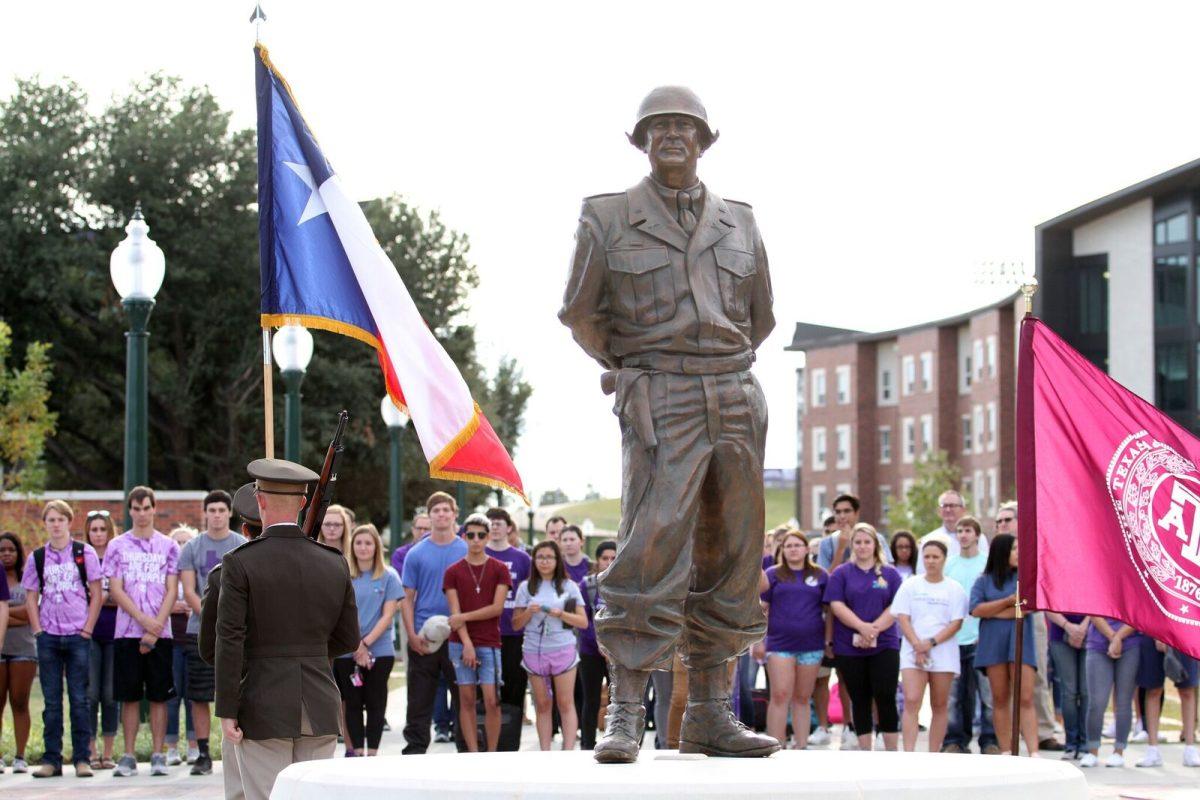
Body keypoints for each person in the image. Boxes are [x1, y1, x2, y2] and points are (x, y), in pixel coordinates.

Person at [559, 86, 779, 762]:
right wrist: (639, 368)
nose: (674, 136)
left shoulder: (739, 221)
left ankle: (710, 715)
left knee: (735, 553)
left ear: (705, 139)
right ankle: (624, 714)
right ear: (641, 141)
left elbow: (762, 313)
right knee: (649, 548)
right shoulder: (608, 216)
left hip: (736, 394)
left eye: (686, 126)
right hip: (660, 393)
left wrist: (717, 367)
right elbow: (581, 313)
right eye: (660, 127)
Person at [215, 459, 361, 800]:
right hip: (320, 703)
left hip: (262, 703)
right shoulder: (333, 560)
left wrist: (227, 709)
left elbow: (230, 640)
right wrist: (307, 654)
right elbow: (348, 638)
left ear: (260, 500)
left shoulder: (240, 561)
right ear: (304, 503)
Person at [104, 486, 181, 777]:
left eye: (146, 507)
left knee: (160, 696)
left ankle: (159, 754)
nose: (141, 513)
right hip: (127, 631)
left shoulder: (169, 546)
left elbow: (173, 588)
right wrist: (142, 620)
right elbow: (115, 588)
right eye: (135, 508)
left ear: (153, 508)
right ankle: (128, 755)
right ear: (130, 510)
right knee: (130, 696)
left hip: (162, 632)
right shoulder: (117, 546)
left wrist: (156, 624)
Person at [24, 499, 103, 778]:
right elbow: (31, 595)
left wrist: (87, 628)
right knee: (52, 702)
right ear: (45, 524)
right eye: (50, 520)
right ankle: (51, 759)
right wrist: (37, 629)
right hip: (49, 636)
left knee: (80, 699)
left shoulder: (85, 553)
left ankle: (82, 758)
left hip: (78, 635)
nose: (55, 525)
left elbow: (97, 593)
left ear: (69, 522)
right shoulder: (37, 557)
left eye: (60, 519)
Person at [199, 482, 261, 800]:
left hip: (245, 689)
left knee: (241, 790)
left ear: (244, 529)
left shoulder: (223, 573)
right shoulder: (320, 564)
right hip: (307, 698)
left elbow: (211, 647)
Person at [179, 490, 246, 775]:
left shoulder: (242, 545)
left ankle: (237, 750)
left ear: (229, 513)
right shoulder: (192, 547)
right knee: (200, 696)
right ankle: (203, 752)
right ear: (204, 513)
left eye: (222, 510)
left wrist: (230, 623)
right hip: (200, 632)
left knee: (238, 692)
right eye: (212, 510)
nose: (217, 515)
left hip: (237, 636)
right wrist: (212, 619)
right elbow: (190, 590)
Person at [400, 491, 468, 754]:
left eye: (446, 510)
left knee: (463, 695)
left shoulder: (465, 550)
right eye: (436, 510)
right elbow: (406, 598)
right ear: (429, 516)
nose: (441, 514)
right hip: (424, 635)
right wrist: (411, 635)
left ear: (454, 515)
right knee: (419, 698)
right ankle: (415, 749)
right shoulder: (416, 554)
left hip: (457, 635)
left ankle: (467, 747)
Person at [825, 523, 902, 751]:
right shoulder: (841, 573)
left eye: (867, 542)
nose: (862, 546)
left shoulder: (890, 573)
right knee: (859, 697)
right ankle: (865, 750)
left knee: (886, 695)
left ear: (875, 545)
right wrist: (861, 627)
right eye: (857, 542)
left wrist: (874, 629)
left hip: (885, 644)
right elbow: (836, 605)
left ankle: (891, 751)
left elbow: (897, 605)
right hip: (850, 646)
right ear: (852, 546)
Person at [333, 524, 402, 757]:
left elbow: (388, 614)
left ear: (377, 547)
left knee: (375, 703)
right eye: (359, 543)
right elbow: (338, 613)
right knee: (351, 703)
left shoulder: (389, 576)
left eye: (368, 543)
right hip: (346, 652)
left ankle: (372, 753)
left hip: (379, 651)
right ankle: (357, 751)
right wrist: (355, 645)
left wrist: (365, 644)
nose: (363, 548)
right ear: (352, 546)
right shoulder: (342, 573)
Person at [443, 514, 510, 752]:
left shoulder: (499, 569)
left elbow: (497, 608)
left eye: (481, 535)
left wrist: (464, 617)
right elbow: (454, 613)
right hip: (460, 643)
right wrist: (467, 643)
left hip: (490, 642)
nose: (476, 540)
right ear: (463, 537)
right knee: (467, 699)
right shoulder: (453, 571)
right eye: (470, 535)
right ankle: (473, 752)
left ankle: (491, 753)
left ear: (489, 537)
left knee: (492, 700)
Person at [893, 539, 967, 752]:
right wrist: (917, 644)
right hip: (912, 651)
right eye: (927, 556)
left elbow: (956, 622)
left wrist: (931, 643)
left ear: (944, 559)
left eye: (936, 557)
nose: (931, 561)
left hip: (943, 652)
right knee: (912, 700)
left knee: (940, 704)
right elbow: (903, 616)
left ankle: (934, 752)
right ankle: (908, 751)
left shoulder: (954, 589)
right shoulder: (911, 585)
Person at [512, 540, 587, 750]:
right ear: (534, 561)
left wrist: (561, 613)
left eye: (549, 557)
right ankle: (545, 751)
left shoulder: (569, 586)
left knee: (565, 702)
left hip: (563, 649)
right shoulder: (525, 588)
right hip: (534, 651)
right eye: (540, 557)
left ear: (557, 560)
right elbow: (516, 624)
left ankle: (568, 749)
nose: (544, 562)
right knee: (543, 704)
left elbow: (582, 622)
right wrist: (529, 612)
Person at [757, 531, 829, 750]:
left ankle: (801, 745)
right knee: (780, 695)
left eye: (798, 545)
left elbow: (829, 611)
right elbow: (762, 609)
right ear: (782, 550)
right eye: (788, 546)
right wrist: (758, 642)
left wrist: (829, 641)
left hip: (811, 645)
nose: (793, 549)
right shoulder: (773, 574)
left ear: (807, 549)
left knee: (803, 697)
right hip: (780, 645)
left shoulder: (820, 575)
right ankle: (776, 745)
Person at [1000, 502, 1061, 751]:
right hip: (1002, 621)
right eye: (999, 521)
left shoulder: (1032, 546)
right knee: (1004, 682)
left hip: (1031, 618)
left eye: (1007, 520)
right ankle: (1011, 732)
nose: (1003, 525)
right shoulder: (998, 550)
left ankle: (1044, 731)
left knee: (1036, 677)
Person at [970, 533, 1037, 757]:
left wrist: (995, 612)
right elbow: (976, 609)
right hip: (993, 644)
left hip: (1021, 641)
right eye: (1015, 549)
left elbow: (1027, 609)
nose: (1019, 553)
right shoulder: (983, 580)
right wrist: (1008, 602)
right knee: (999, 698)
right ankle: (1006, 750)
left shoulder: (1025, 579)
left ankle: (1033, 751)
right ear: (1002, 552)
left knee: (1025, 697)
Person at [941, 515, 998, 754]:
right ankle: (955, 740)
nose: (963, 535)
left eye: (968, 530)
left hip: (980, 637)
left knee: (987, 695)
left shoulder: (986, 564)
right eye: (960, 531)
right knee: (956, 696)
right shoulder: (950, 565)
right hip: (954, 638)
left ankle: (989, 740)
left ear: (977, 535)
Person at [484, 507, 531, 725]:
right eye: (490, 523)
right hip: (484, 632)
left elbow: (531, 592)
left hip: (514, 631)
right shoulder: (478, 554)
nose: (494, 527)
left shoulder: (522, 559)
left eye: (498, 523)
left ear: (509, 528)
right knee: (485, 688)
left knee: (514, 686)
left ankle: (510, 737)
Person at [82, 511, 119, 770]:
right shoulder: (82, 558)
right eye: (93, 529)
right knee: (90, 694)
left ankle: (108, 752)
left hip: (115, 632)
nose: (98, 533)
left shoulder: (116, 557)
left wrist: (103, 595)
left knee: (109, 694)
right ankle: (90, 750)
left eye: (102, 529)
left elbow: (121, 594)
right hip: (89, 633)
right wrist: (102, 596)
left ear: (109, 531)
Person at [1078, 615, 1141, 767]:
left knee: (1123, 701)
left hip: (1130, 644)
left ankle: (1119, 751)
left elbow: (1137, 612)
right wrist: (1113, 637)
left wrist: (1118, 637)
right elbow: (1093, 610)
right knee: (1097, 702)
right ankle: (1092, 751)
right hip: (1097, 644)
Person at [1, 531, 37, 775]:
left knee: (20, 701)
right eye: (1, 550)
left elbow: (30, 613)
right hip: (0, 649)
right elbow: (22, 613)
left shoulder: (28, 579)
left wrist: (5, 614)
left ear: (19, 552)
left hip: (24, 648)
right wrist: (19, 613)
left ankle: (20, 756)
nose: (6, 554)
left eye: (11, 550)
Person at [1135, 637, 1199, 767]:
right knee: (1153, 690)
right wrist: (1159, 635)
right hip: (1154, 635)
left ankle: (1190, 748)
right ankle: (1152, 749)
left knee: (1187, 690)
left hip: (1182, 633)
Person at [578, 540, 616, 750]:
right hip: (591, 651)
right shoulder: (588, 585)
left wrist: (612, 647)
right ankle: (587, 744)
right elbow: (583, 620)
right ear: (598, 560)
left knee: (617, 701)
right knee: (590, 699)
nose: (609, 562)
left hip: (617, 653)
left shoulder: (625, 585)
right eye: (604, 558)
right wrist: (599, 644)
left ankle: (618, 740)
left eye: (613, 558)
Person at [165, 524, 198, 767]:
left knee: (193, 696)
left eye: (186, 542)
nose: (181, 546)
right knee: (173, 695)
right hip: (171, 639)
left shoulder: (195, 573)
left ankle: (194, 745)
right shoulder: (166, 573)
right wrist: (172, 606)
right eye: (177, 542)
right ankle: (172, 747)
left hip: (192, 638)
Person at [1045, 610, 1089, 760]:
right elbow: (1048, 604)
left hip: (1090, 630)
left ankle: (1086, 744)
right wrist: (1067, 626)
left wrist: (1083, 627)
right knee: (1069, 692)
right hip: (1059, 633)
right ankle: (1071, 744)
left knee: (1085, 691)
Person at [918, 490, 988, 567]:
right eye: (944, 506)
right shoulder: (929, 540)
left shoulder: (978, 538)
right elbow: (922, 572)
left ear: (963, 510)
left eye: (952, 506)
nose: (948, 509)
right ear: (939, 511)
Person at [391, 512, 432, 578]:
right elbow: (404, 578)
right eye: (419, 528)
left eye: (426, 529)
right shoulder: (400, 554)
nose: (422, 532)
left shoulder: (438, 553)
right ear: (412, 530)